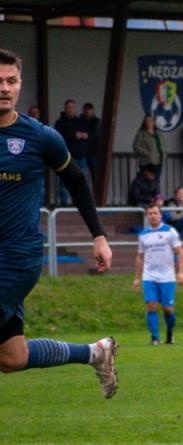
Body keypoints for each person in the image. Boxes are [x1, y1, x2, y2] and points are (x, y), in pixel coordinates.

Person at [0, 48, 119, 396]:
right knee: (11, 357)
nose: (4, 88)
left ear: (21, 85)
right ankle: (96, 352)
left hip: (17, 257)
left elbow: (77, 182)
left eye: (11, 81)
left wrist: (98, 236)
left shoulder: (40, 137)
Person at [133, 202, 183, 345]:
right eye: (150, 213)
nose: (153, 216)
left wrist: (181, 272)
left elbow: (180, 252)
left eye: (155, 213)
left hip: (167, 276)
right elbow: (140, 256)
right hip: (149, 276)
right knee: (151, 305)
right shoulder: (143, 235)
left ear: (160, 215)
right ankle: (154, 338)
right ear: (147, 216)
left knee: (168, 309)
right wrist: (137, 278)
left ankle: (169, 333)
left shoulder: (170, 231)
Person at [132, 113, 165, 181]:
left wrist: (165, 154)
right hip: (147, 162)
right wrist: (148, 154)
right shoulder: (141, 134)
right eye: (147, 121)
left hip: (159, 161)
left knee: (156, 181)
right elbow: (136, 146)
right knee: (146, 181)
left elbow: (164, 145)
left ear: (154, 122)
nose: (149, 123)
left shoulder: (158, 133)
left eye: (151, 121)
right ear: (144, 123)